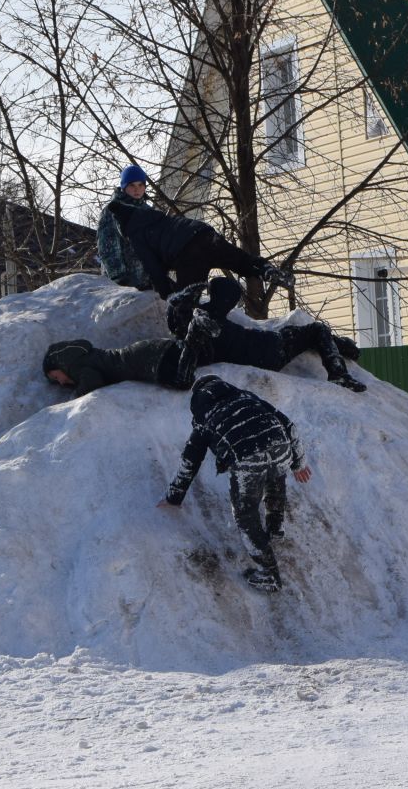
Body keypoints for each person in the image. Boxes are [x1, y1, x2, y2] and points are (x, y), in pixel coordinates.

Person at [159, 375, 310, 592]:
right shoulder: (247, 398)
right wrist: (298, 462)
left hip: (248, 456)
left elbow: (190, 461)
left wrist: (174, 497)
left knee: (245, 513)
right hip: (280, 444)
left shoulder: (206, 415)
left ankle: (269, 574)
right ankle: (275, 527)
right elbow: (288, 424)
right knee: (276, 475)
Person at [98, 163, 293, 300]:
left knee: (185, 298)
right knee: (229, 257)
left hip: (162, 265)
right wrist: (119, 278)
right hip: (134, 274)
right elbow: (109, 249)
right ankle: (261, 268)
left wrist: (164, 287)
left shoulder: (147, 212)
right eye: (132, 185)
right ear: (124, 187)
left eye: (141, 185)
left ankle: (260, 272)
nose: (137, 190)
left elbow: (155, 257)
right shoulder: (114, 211)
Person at [169, 276, 366, 393]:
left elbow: (182, 315)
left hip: (266, 345)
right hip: (271, 350)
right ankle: (339, 372)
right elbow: (184, 372)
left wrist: (187, 297)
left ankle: (345, 346)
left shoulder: (205, 318)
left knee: (297, 332)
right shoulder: (205, 324)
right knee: (317, 330)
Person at [42, 337, 191, 396]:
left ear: (60, 365)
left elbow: (92, 381)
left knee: (183, 380)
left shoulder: (76, 365)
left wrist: (75, 395)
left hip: (148, 359)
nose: (60, 382)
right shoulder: (84, 359)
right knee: (193, 359)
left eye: (56, 377)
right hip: (149, 354)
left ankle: (195, 332)